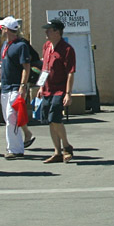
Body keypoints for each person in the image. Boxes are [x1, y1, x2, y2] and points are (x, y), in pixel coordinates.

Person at [0, 17, 35, 159]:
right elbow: (1, 65)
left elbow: (26, 67)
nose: (1, 31)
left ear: (6, 29)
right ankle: (14, 146)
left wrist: (23, 86)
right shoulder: (5, 45)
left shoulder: (21, 45)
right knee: (8, 119)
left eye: (2, 28)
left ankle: (15, 149)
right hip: (5, 88)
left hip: (15, 87)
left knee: (12, 118)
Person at [38, 19, 76, 164]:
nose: (46, 32)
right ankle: (57, 152)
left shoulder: (67, 50)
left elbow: (71, 73)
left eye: (49, 29)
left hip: (59, 89)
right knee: (50, 120)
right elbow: (44, 68)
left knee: (55, 118)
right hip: (47, 88)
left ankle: (66, 146)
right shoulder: (46, 46)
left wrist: (68, 93)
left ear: (57, 32)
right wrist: (41, 86)